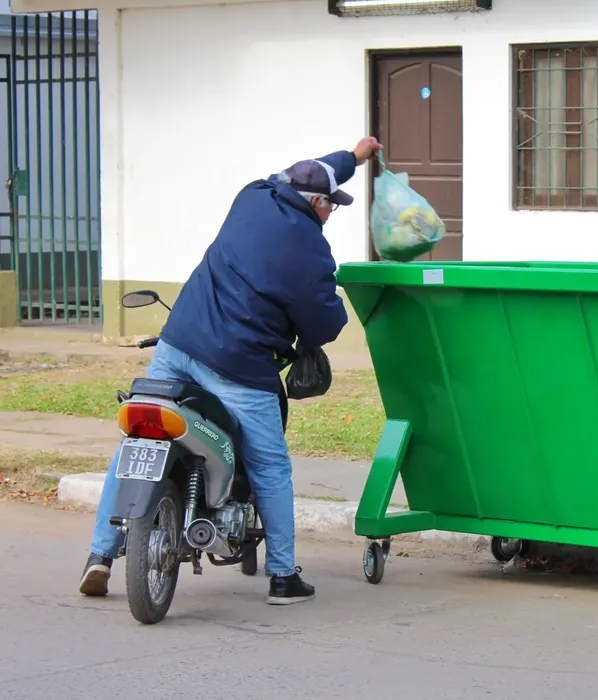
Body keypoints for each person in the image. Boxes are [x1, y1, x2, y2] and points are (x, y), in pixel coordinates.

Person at [78, 136, 383, 605]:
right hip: (238, 368)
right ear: (317, 204)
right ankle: (283, 576)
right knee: (270, 465)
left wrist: (353, 157)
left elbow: (297, 172)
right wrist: (316, 330)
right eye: (331, 206)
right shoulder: (311, 252)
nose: (331, 214)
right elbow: (325, 320)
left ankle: (100, 554)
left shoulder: (252, 196)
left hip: (177, 347)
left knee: (136, 444)